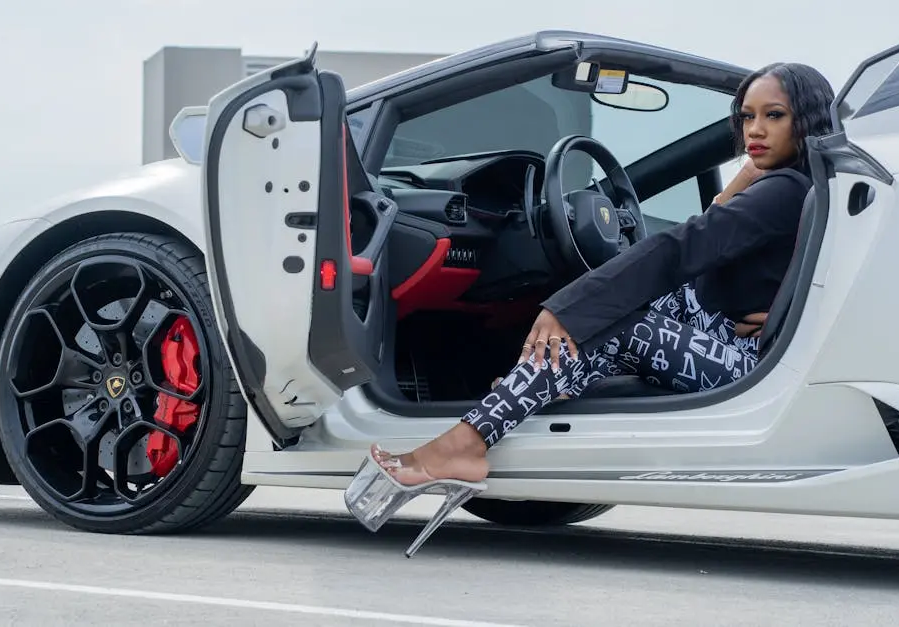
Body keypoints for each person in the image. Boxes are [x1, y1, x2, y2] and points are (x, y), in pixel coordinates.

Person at [343, 61, 836, 554]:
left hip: (744, 366)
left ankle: (470, 439)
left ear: (807, 120)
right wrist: (749, 172)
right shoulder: (797, 185)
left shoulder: (784, 192)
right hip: (734, 341)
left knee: (618, 321)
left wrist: (568, 307)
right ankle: (530, 390)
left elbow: (684, 246)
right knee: (625, 308)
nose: (755, 130)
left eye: (773, 116)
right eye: (747, 116)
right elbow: (711, 236)